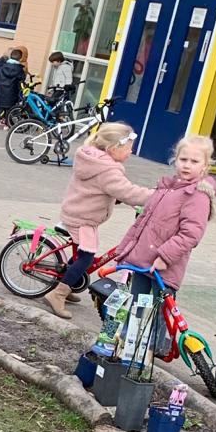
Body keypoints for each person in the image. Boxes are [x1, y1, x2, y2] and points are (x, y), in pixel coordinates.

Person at [41, 122, 152, 319]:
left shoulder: (92, 158)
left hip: (77, 211)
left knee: (81, 254)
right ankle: (58, 294)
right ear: (113, 149)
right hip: (83, 218)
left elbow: (102, 190)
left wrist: (116, 198)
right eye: (128, 148)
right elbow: (128, 192)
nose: (131, 152)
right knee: (87, 257)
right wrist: (157, 196)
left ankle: (69, 281)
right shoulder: (107, 170)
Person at [112, 134, 216, 292]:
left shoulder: (197, 195)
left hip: (164, 268)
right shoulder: (166, 188)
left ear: (205, 165)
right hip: (142, 262)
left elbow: (191, 234)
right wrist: (124, 251)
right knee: (136, 308)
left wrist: (165, 257)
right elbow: (141, 223)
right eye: (183, 159)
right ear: (176, 159)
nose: (187, 165)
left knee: (158, 313)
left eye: (194, 161)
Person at [0, 46, 26, 123]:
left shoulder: (3, 66)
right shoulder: (19, 69)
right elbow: (21, 80)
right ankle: (6, 124)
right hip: (12, 93)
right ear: (20, 58)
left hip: (1, 91)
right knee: (9, 110)